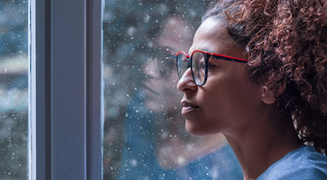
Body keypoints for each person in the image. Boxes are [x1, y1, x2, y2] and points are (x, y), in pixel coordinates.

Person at [176, 0, 327, 179]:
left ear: (271, 83)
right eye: (189, 64)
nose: (182, 83)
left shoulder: (301, 175)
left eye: (205, 65)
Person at [114, 15, 243, 180]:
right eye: (153, 54)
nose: (148, 70)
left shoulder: (231, 164)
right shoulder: (141, 112)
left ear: (205, 70)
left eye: (168, 62)